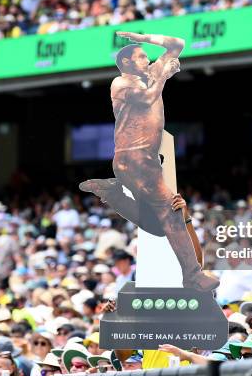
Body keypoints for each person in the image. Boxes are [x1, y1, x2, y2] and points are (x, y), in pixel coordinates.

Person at [79, 31, 218, 292]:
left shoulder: (150, 75)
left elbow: (177, 43)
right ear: (128, 63)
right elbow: (146, 98)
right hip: (134, 157)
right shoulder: (120, 83)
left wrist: (141, 37)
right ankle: (193, 276)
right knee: (173, 217)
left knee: (158, 225)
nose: (147, 59)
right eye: (141, 56)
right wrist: (164, 75)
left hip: (144, 160)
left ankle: (112, 194)